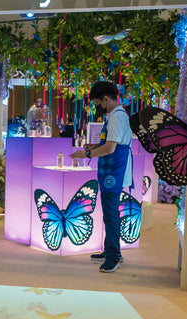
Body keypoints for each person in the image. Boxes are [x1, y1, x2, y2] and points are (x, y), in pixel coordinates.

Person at [71, 81, 133, 273]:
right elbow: (109, 144)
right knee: (109, 214)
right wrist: (93, 147)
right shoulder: (116, 116)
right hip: (111, 170)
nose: (98, 107)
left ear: (106, 99)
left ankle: (113, 256)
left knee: (111, 215)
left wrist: (86, 154)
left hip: (114, 172)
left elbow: (111, 148)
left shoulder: (116, 118)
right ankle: (110, 251)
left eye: (98, 103)